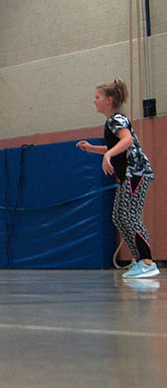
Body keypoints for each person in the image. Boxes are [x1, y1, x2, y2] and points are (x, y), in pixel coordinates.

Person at [76, 78, 157, 279]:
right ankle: (139, 260)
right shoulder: (111, 121)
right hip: (127, 175)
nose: (94, 101)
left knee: (129, 217)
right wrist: (93, 149)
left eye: (97, 97)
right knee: (119, 217)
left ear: (109, 100)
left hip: (136, 172)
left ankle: (147, 261)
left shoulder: (116, 119)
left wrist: (108, 155)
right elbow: (115, 147)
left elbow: (127, 140)